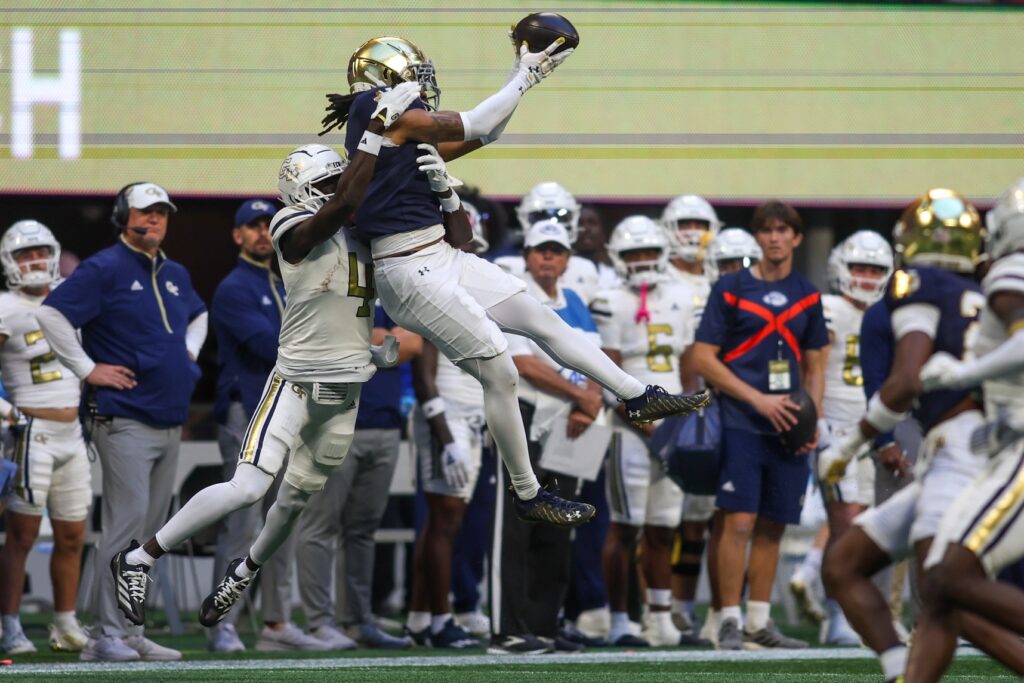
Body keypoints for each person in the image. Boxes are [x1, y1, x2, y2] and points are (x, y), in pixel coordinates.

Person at [324, 35, 709, 531]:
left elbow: (486, 134)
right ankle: (529, 492)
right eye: (414, 77)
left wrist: (519, 76)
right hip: (407, 266)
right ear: (385, 81)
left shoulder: (401, 128)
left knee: (537, 317)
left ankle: (636, 395)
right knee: (500, 369)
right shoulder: (374, 110)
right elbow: (478, 121)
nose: (423, 88)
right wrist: (524, 76)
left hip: (438, 253)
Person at [103, 82, 426, 633]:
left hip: (346, 393)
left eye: (336, 181)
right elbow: (346, 201)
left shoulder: (363, 234)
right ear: (302, 190)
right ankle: (139, 557)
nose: (339, 190)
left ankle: (244, 570)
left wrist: (436, 184)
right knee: (249, 486)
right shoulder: (289, 227)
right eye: (326, 182)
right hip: (296, 384)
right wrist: (373, 135)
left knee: (294, 504)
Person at [818, 189, 1024, 683]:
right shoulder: (977, 285)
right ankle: (899, 673)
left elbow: (907, 379)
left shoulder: (941, 281)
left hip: (979, 447)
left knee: (946, 581)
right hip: (969, 444)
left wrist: (847, 448)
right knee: (849, 565)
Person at [37, 182, 207, 663]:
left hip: (167, 416)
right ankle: (104, 634)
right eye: (144, 212)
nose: (154, 220)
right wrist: (88, 368)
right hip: (124, 418)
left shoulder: (173, 272)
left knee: (149, 535)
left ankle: (128, 632)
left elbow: (199, 314)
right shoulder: (104, 267)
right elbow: (52, 316)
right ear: (122, 217)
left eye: (161, 213)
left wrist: (188, 356)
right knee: (124, 526)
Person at [692, 200, 828, 650]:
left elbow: (815, 366)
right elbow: (702, 358)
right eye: (766, 230)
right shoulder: (731, 288)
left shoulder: (808, 294)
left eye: (782, 230)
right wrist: (758, 400)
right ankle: (728, 620)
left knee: (774, 524)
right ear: (757, 237)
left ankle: (758, 623)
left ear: (796, 238)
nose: (774, 237)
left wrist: (813, 422)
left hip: (789, 425)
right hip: (740, 420)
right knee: (739, 521)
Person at [905, 179, 1024, 681]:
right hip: (1004, 446)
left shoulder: (1010, 272)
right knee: (938, 589)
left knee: (951, 574)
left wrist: (960, 374)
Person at [208, 198, 326, 653]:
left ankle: (276, 623)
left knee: (284, 519)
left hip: (289, 410)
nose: (262, 233)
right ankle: (223, 624)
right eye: (252, 226)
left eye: (267, 225)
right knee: (242, 522)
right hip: (248, 409)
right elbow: (269, 345)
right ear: (238, 236)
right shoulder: (235, 287)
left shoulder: (285, 281)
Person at [489, 221, 604, 654]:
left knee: (562, 527)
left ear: (567, 258)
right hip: (527, 419)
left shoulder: (574, 301)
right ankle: (508, 628)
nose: (548, 258)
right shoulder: (515, 299)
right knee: (516, 526)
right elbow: (523, 363)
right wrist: (583, 395)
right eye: (541, 250)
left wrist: (589, 398)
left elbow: (596, 354)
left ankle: (544, 625)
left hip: (572, 426)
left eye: (556, 250)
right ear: (528, 256)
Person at [590, 216, 698, 647]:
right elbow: (608, 370)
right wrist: (649, 424)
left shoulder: (681, 296)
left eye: (648, 252)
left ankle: (659, 616)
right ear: (619, 257)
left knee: (662, 527)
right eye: (634, 253)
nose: (642, 261)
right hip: (630, 427)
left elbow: (688, 365)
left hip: (670, 427)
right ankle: (620, 619)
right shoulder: (610, 300)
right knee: (625, 526)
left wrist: (686, 415)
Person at [294, 303, 422, 651]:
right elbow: (331, 337)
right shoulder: (332, 280)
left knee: (363, 530)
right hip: (335, 421)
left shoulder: (392, 290)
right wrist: (382, 340)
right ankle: (320, 623)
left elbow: (414, 344)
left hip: (385, 424)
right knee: (321, 525)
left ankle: (358, 621)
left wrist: (371, 340)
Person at [0, 221, 91, 654]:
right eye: (25, 255)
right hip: (31, 430)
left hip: (72, 432)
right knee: (22, 536)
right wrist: (6, 409)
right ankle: (10, 624)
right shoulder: (6, 307)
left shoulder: (68, 301)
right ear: (10, 263)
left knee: (73, 534)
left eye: (40, 252)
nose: (35, 261)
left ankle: (65, 622)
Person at [801, 231, 895, 646]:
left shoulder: (893, 312)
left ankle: (865, 611)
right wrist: (817, 420)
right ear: (842, 267)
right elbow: (813, 368)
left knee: (874, 526)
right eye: (860, 268)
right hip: (838, 429)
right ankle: (840, 614)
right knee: (844, 522)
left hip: (879, 430)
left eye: (875, 270)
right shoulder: (830, 309)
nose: (867, 277)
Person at [405, 205, 490, 649]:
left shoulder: (468, 285)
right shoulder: (433, 287)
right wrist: (444, 435)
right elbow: (424, 371)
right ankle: (440, 620)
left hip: (468, 418)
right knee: (444, 521)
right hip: (448, 418)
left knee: (444, 523)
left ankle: (420, 618)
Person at [692, 226, 762, 646]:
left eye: (741, 264)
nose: (734, 272)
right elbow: (694, 362)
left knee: (742, 521)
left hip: (749, 419)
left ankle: (728, 613)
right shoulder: (707, 302)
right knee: (716, 521)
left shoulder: (761, 302)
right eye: (727, 264)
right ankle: (717, 613)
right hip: (716, 419)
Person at [496, 182, 601, 304]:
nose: (550, 224)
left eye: (561, 216)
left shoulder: (585, 269)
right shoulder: (506, 267)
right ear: (526, 256)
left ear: (568, 258)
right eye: (540, 216)